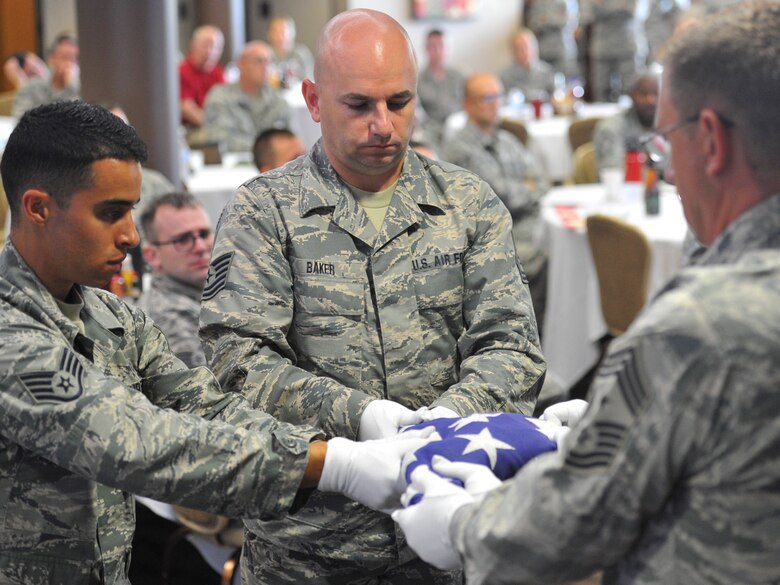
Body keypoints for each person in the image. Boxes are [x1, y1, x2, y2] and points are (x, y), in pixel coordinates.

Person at [394, 3, 780, 584]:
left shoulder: (697, 326)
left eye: (666, 140)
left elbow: (568, 524)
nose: (667, 170)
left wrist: (459, 525)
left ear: (710, 141)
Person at [0, 100, 435, 584]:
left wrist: (350, 428)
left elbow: (208, 408)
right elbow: (131, 442)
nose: (129, 237)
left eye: (131, 212)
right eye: (110, 213)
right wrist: (332, 466)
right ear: (38, 207)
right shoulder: (9, 331)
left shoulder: (113, 317)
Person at [199, 9, 546, 584]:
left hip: (443, 537)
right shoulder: (264, 212)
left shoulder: (466, 203)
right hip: (307, 551)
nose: (383, 125)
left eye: (399, 102)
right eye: (358, 105)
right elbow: (239, 363)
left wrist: (445, 422)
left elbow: (513, 348)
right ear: (313, 101)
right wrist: (361, 417)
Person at [443, 72, 548, 329]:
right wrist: (527, 187)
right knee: (551, 255)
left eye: (498, 97)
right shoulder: (461, 149)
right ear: (467, 104)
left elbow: (541, 179)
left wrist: (527, 187)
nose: (495, 104)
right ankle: (532, 335)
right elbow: (500, 198)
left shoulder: (506, 141)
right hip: (490, 238)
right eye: (486, 98)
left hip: (525, 224)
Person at [203, 41, 292, 152]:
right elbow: (219, 139)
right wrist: (264, 150)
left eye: (269, 62)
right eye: (259, 61)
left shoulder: (279, 102)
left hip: (273, 166)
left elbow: (292, 141)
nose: (266, 67)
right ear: (241, 64)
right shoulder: (221, 97)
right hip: (232, 165)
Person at [578, 0, 646, 101]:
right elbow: (588, 15)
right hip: (602, 48)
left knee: (631, 90)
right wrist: (619, 5)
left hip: (627, 47)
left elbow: (634, 11)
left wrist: (604, 6)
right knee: (601, 91)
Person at [593, 72, 659, 176]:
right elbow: (613, 170)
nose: (651, 100)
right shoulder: (612, 128)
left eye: (656, 94)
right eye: (643, 94)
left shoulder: (670, 127)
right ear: (631, 95)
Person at [416, 29, 464, 147]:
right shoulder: (417, 80)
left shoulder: (459, 76)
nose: (437, 51)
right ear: (426, 48)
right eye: (433, 47)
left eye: (441, 46)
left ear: (448, 49)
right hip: (432, 133)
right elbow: (417, 113)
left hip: (460, 129)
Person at [12, 34, 79, 118]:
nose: (69, 64)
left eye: (74, 59)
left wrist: (70, 87)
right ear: (52, 59)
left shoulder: (83, 90)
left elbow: (80, 120)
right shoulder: (32, 88)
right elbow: (21, 120)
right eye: (65, 57)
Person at [179, 25, 226, 131]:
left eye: (215, 47)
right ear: (193, 45)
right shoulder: (181, 71)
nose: (209, 52)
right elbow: (186, 108)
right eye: (205, 45)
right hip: (192, 129)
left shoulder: (219, 73)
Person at [524, 0, 577, 76]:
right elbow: (534, 24)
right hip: (543, 50)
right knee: (544, 78)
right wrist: (556, 18)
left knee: (563, 80)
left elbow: (567, 22)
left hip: (562, 50)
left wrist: (546, 19)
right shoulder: (538, 3)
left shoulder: (566, 2)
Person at [499, 29, 556, 100]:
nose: (523, 51)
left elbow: (556, 97)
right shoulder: (505, 76)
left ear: (534, 47)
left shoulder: (548, 72)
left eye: (526, 46)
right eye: (518, 48)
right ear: (513, 52)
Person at [266, 15, 314, 88]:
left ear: (293, 32)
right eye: (276, 31)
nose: (280, 36)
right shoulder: (264, 55)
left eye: (283, 31)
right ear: (269, 34)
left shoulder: (301, 53)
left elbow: (310, 81)